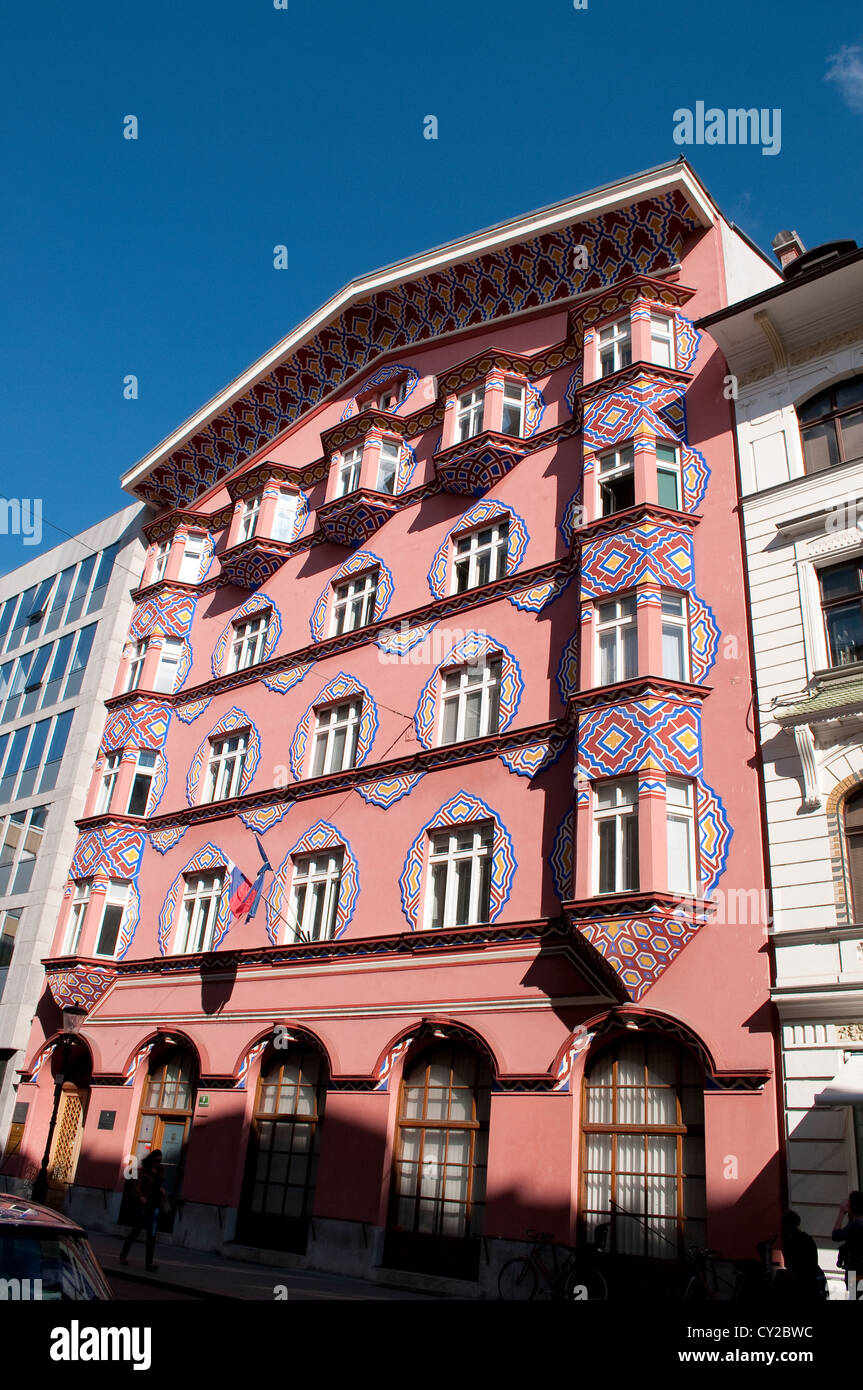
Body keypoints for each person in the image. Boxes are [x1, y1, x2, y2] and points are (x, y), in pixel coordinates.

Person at [120, 1149, 167, 1271]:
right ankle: (123, 1255)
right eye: (156, 1160)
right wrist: (141, 1196)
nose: (158, 1162)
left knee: (151, 1235)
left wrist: (162, 1190)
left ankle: (149, 1263)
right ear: (151, 1159)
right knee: (136, 1231)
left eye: (160, 1160)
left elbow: (158, 1185)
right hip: (145, 1204)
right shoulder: (143, 1170)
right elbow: (137, 1185)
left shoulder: (160, 1171)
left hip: (155, 1205)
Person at [778, 1210, 826, 1301]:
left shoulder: (790, 1242)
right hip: (811, 1284)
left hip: (799, 1286)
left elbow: (790, 1266)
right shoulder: (807, 1239)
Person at [832, 1190, 863, 1298]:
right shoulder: (857, 1223)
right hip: (857, 1271)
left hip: (856, 1272)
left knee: (854, 1296)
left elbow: (836, 1235)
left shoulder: (855, 1224)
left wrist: (841, 1213)